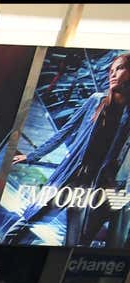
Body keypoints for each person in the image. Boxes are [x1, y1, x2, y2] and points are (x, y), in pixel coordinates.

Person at [8, 52, 130, 247]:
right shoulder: (96, 101)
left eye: (120, 68)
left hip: (94, 188)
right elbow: (64, 132)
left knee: (76, 243)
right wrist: (32, 156)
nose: (113, 74)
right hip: (71, 176)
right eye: (111, 70)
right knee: (24, 225)